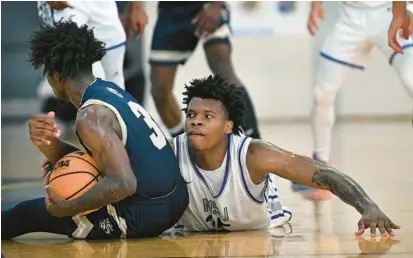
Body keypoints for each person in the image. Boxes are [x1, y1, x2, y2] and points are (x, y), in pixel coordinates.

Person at [1, 21, 189, 240]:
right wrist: (49, 143)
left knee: (25, 214)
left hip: (146, 213)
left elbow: (123, 183)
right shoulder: (109, 90)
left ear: (57, 75)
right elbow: (110, 158)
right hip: (176, 199)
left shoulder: (89, 117)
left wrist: (68, 207)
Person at [172, 75, 399, 237]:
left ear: (228, 126)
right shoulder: (172, 151)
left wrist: (367, 207)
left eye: (208, 116)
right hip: (194, 236)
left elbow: (325, 174)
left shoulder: (254, 155)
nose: (196, 121)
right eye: (191, 114)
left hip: (261, 236)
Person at [300, 1, 413, 200]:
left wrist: (401, 12)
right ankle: (321, 165)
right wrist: (316, 4)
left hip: (392, 9)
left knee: (411, 81)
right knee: (322, 92)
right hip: (351, 16)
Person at [122, 1, 261, 139]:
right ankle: (186, 145)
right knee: (159, 89)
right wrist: (136, 6)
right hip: (170, 12)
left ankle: (254, 141)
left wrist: (217, 4)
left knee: (222, 65)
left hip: (206, 4)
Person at [36, 1, 128, 136]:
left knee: (116, 84)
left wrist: (136, 4)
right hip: (69, 4)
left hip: (103, 5)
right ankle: (100, 146)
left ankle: (127, 141)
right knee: (85, 82)